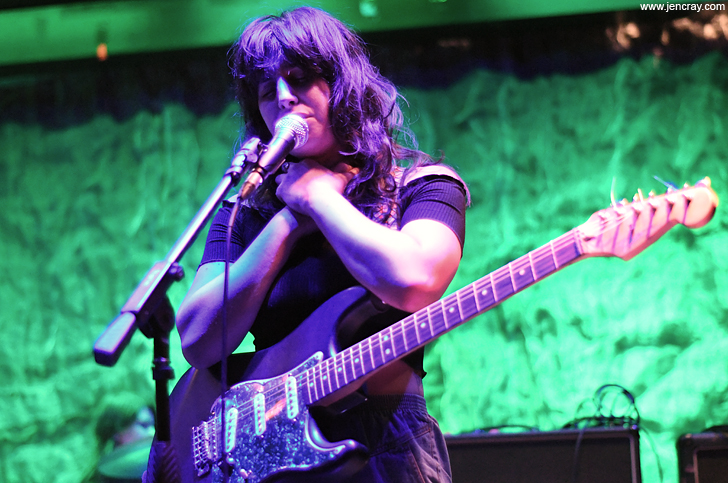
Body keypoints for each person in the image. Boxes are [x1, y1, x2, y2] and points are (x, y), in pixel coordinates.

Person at [175, 6, 468, 482]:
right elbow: (198, 339)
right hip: (271, 454)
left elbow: (415, 281)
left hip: (385, 441)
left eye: (299, 78)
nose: (283, 98)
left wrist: (320, 199)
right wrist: (288, 222)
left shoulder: (422, 187)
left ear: (343, 85)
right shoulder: (244, 213)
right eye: (266, 91)